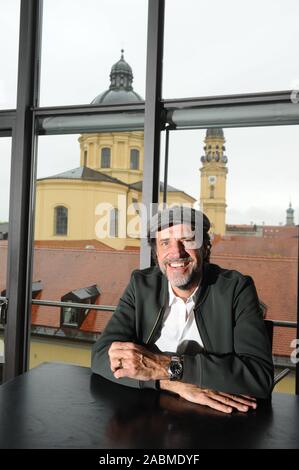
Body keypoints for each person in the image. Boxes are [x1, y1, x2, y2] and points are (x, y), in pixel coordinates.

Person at [91, 206, 274, 414]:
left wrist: (162, 365)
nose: (176, 252)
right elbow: (101, 355)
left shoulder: (236, 289)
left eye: (187, 240)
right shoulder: (141, 285)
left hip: (218, 422)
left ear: (205, 248)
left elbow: (259, 377)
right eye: (165, 242)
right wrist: (170, 383)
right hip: (148, 416)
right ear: (156, 253)